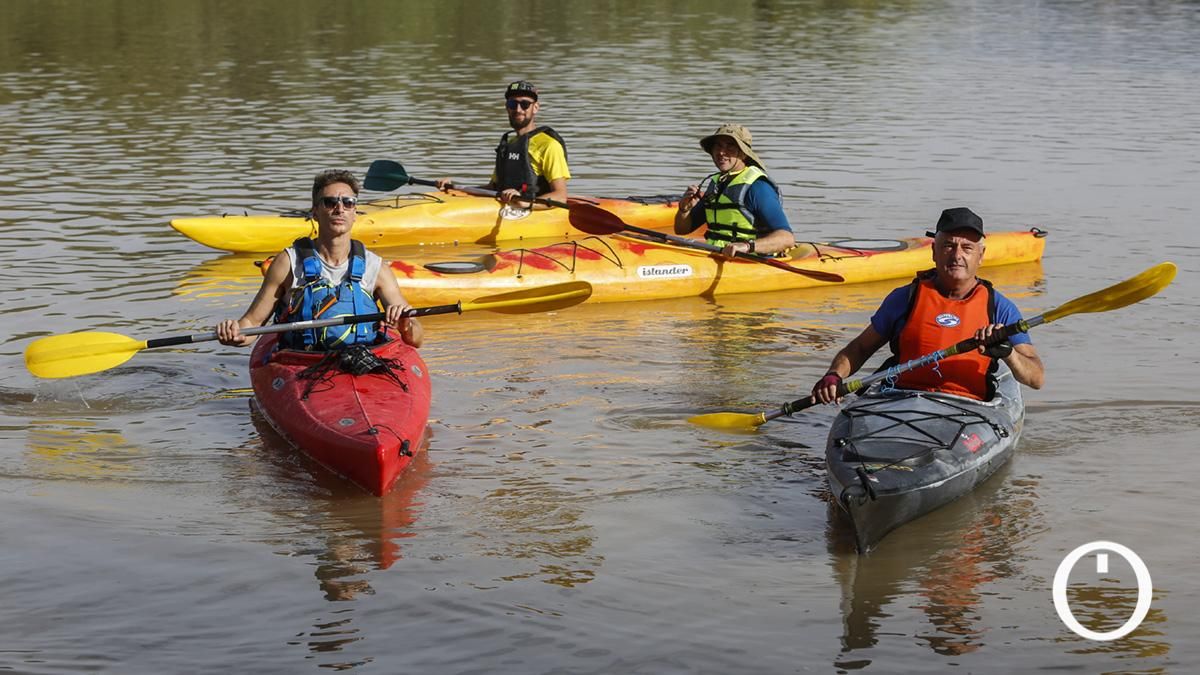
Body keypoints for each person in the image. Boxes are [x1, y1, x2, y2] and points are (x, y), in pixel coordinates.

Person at [811, 207, 1044, 404]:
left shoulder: (1000, 308)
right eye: (948, 246)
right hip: (902, 400)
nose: (957, 255)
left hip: (969, 408)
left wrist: (1008, 353)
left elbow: (1036, 378)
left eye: (967, 248)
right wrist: (834, 376)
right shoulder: (905, 298)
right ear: (934, 251)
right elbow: (860, 348)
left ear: (981, 256)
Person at [216, 169, 423, 349]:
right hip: (302, 361)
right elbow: (252, 324)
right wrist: (233, 332)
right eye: (330, 202)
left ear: (354, 213)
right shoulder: (288, 263)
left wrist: (406, 325)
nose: (339, 209)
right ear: (315, 212)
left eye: (348, 203)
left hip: (361, 360)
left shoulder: (376, 268)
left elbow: (417, 338)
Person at [436, 80, 570, 210]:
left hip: (534, 212)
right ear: (507, 107)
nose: (518, 109)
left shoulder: (549, 145)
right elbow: (493, 188)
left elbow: (560, 196)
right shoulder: (509, 145)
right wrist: (456, 188)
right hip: (505, 208)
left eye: (524, 104)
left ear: (535, 108)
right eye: (512, 104)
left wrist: (526, 203)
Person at [674, 123, 796, 258]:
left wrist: (746, 246)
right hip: (715, 256)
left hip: (751, 260)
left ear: (743, 154)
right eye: (718, 146)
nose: (721, 152)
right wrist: (684, 209)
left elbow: (787, 238)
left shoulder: (758, 187)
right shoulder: (716, 184)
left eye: (730, 146)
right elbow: (681, 229)